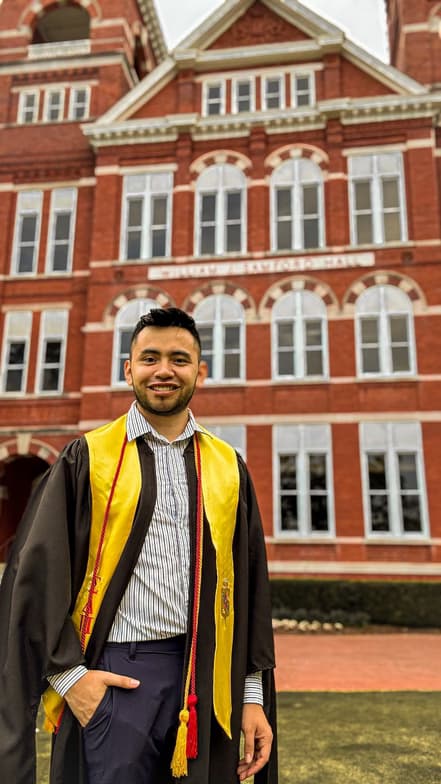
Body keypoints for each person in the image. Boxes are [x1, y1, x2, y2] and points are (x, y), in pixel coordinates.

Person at [0, 307, 277, 784]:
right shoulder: (90, 458)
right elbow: (36, 576)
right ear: (128, 370)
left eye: (179, 359)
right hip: (117, 674)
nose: (164, 370)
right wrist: (72, 679)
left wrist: (252, 696)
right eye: (150, 358)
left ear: (200, 373)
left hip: (208, 676)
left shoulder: (227, 467)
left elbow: (250, 589)